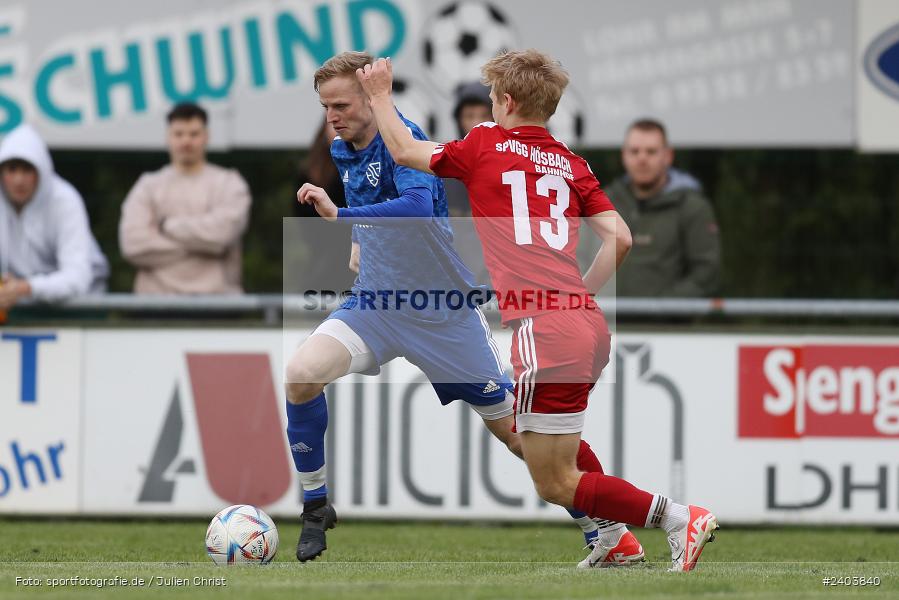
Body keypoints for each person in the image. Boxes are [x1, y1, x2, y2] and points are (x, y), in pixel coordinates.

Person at [357, 51, 719, 572]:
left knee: (552, 479)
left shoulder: (483, 143)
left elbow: (404, 149)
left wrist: (379, 96)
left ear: (506, 100)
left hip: (544, 327)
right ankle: (615, 539)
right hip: (586, 325)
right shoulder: (572, 162)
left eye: (491, 99)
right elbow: (621, 237)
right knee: (557, 449)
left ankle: (678, 519)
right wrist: (582, 294)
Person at [286, 51, 636, 567]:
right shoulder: (343, 146)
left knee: (524, 437)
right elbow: (374, 204)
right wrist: (359, 238)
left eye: (340, 104)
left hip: (441, 312)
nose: (332, 116)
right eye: (325, 106)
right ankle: (315, 506)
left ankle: (609, 531)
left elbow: (417, 209)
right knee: (300, 373)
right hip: (376, 306)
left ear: (368, 98)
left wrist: (343, 215)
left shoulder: (400, 135)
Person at [119, 102, 251, 294]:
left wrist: (166, 227)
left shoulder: (230, 183)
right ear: (168, 137)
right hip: (154, 308)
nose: (186, 141)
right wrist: (205, 246)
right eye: (179, 134)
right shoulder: (147, 185)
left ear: (206, 136)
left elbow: (223, 234)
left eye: (194, 134)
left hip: (219, 307)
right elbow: (132, 244)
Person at [604, 119, 720, 297]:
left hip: (666, 324)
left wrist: (662, 308)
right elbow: (578, 261)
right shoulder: (604, 203)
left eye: (651, 151)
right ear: (623, 155)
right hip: (604, 323)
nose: (642, 158)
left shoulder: (692, 207)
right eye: (634, 151)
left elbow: (706, 273)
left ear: (668, 156)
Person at [0, 123, 108, 310]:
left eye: (27, 170)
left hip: (79, 308)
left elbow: (77, 278)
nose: (19, 179)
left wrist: (26, 287)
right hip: (19, 306)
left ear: (41, 171)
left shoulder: (65, 200)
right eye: (12, 169)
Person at [444, 82, 493, 285]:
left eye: (484, 116)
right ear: (459, 120)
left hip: (500, 292)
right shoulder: (441, 171)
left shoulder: (510, 170)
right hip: (452, 289)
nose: (477, 123)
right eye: (469, 116)